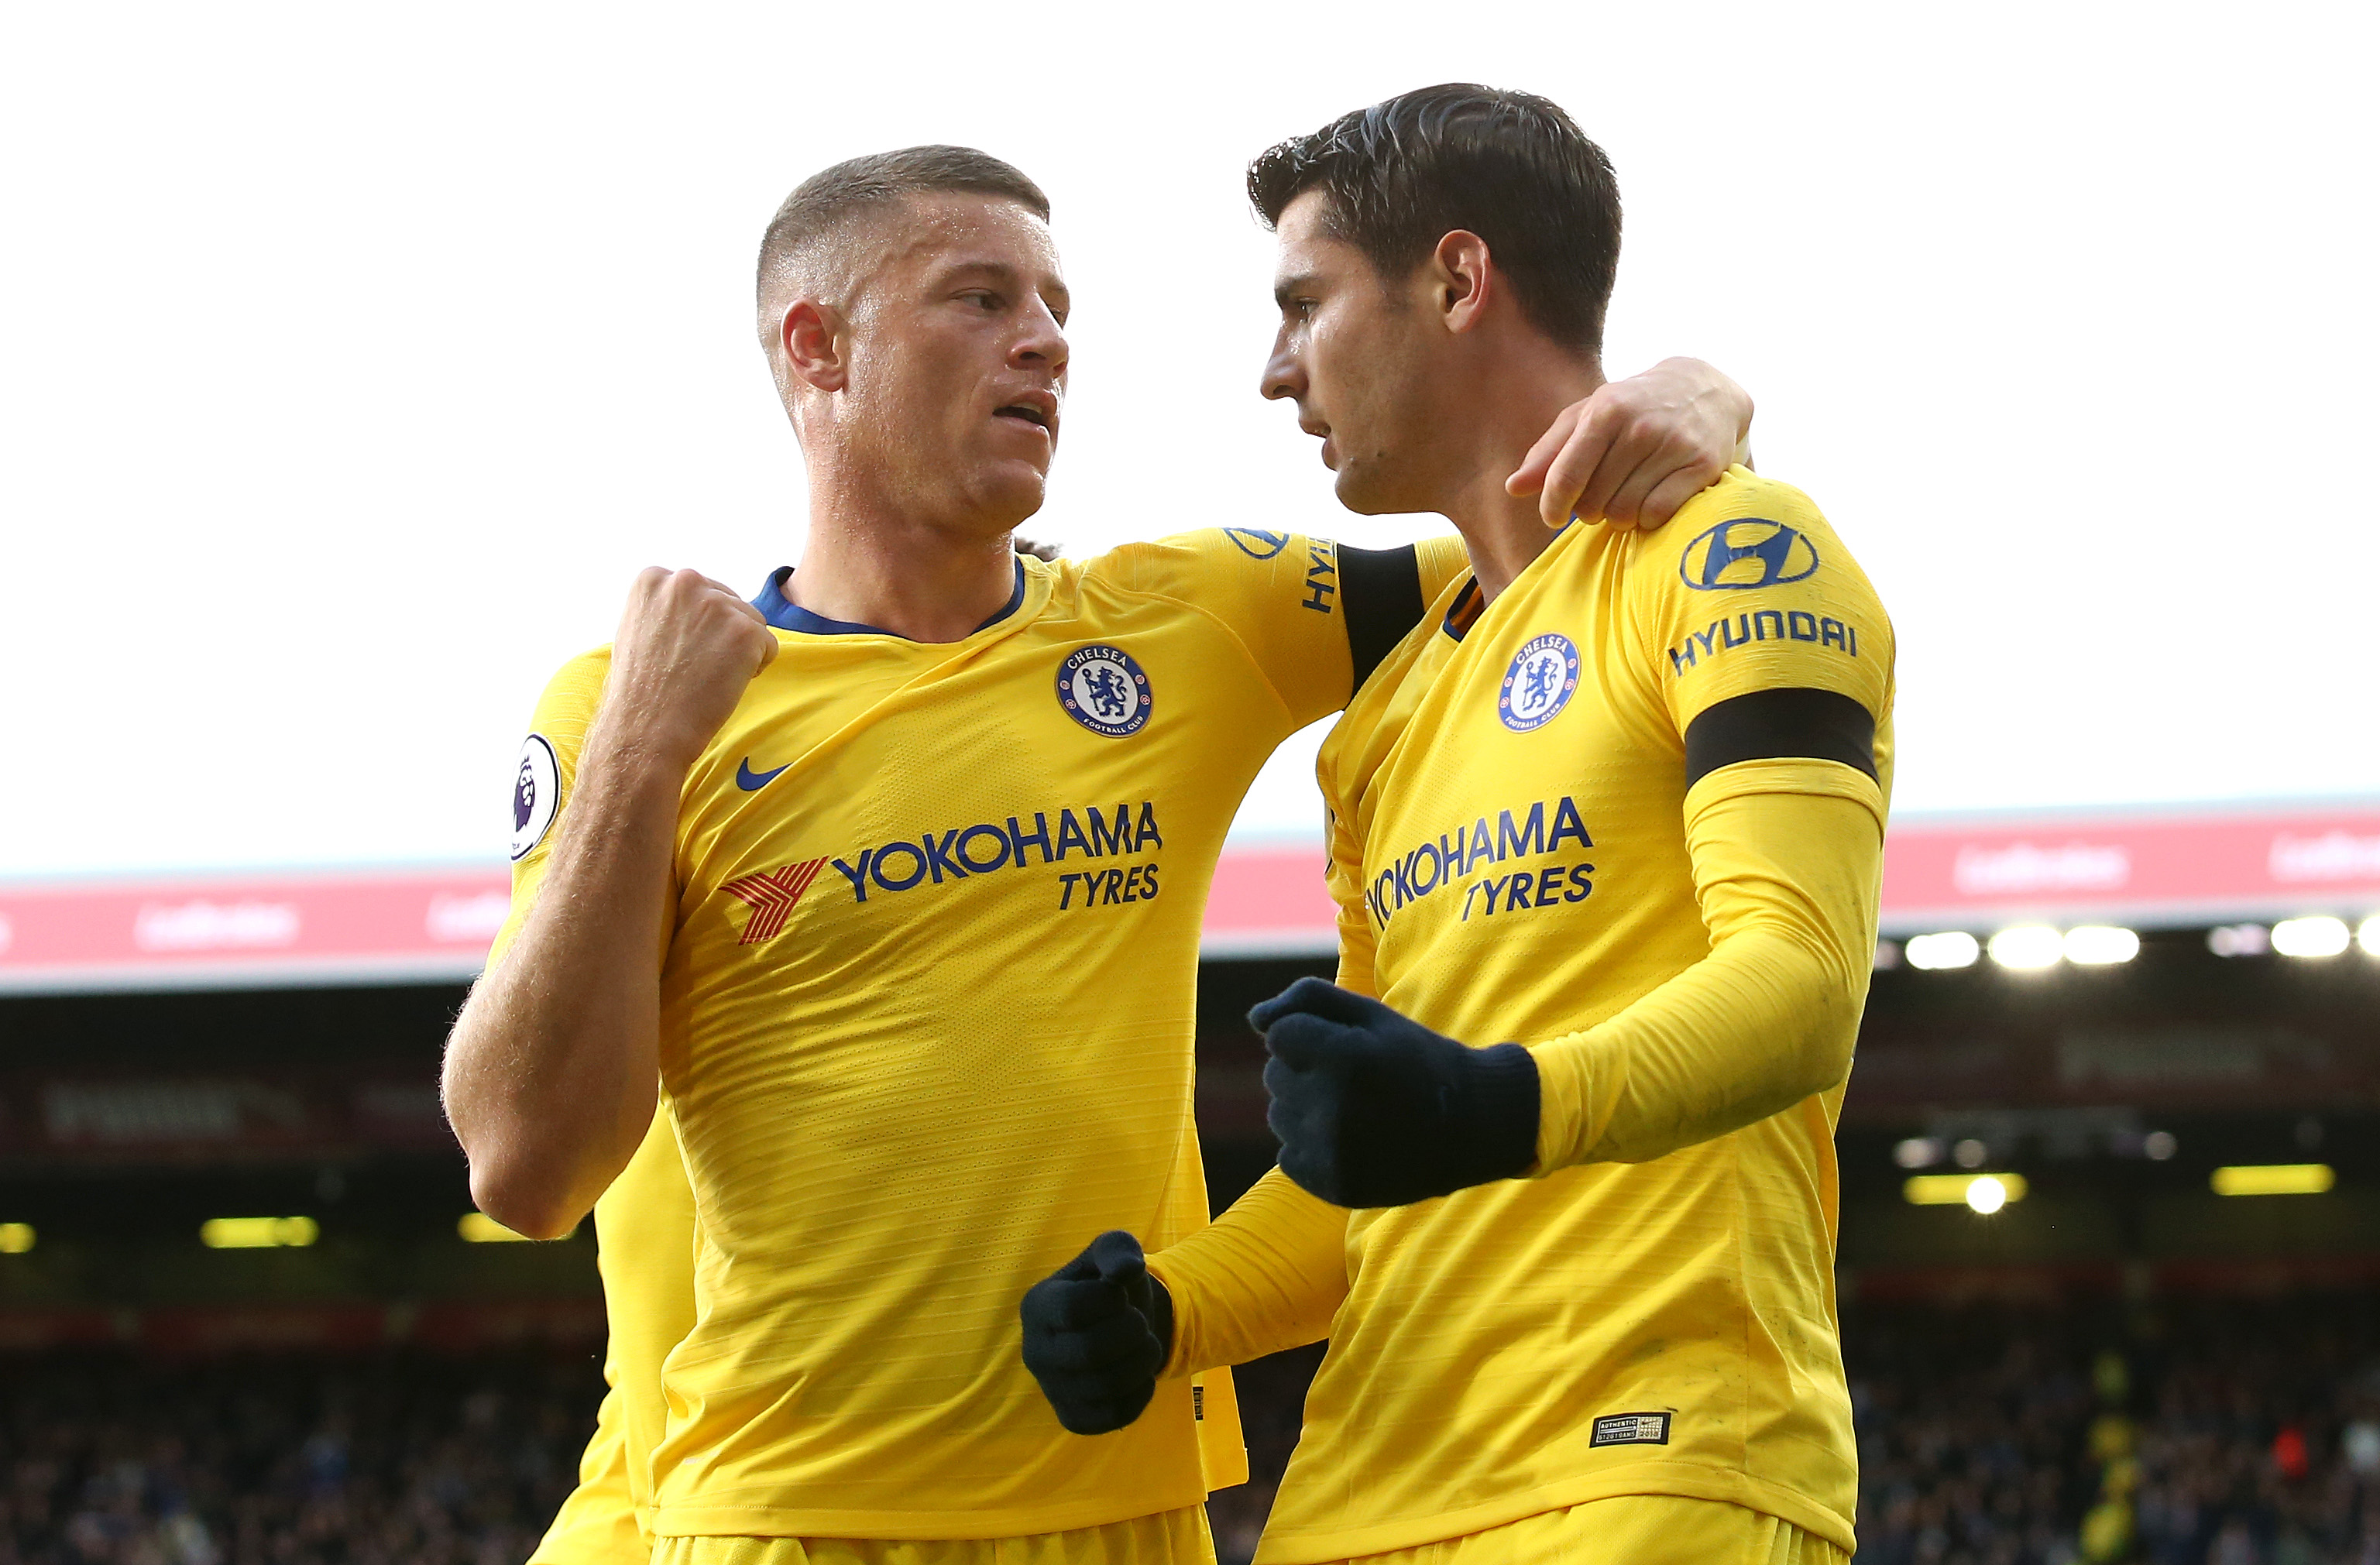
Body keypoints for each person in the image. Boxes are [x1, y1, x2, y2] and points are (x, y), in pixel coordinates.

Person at [443, 142, 1755, 1565]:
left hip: (1130, 1519)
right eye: (980, 298)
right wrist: (638, 758)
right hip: (789, 1519)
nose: (1046, 343)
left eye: (1057, 307)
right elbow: (527, 1167)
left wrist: (1700, 402)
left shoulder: (1184, 620)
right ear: (817, 348)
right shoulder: (638, 702)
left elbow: (1561, 530)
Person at [1020, 87, 1894, 1565]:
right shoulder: (1384, 714)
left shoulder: (1740, 551)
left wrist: (1487, 1106)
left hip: (1651, 1468)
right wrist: (1172, 1310)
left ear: (1457, 280)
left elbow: (1800, 985)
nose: (1272, 372)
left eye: (1303, 305)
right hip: (1356, 1492)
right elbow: (1370, 1175)